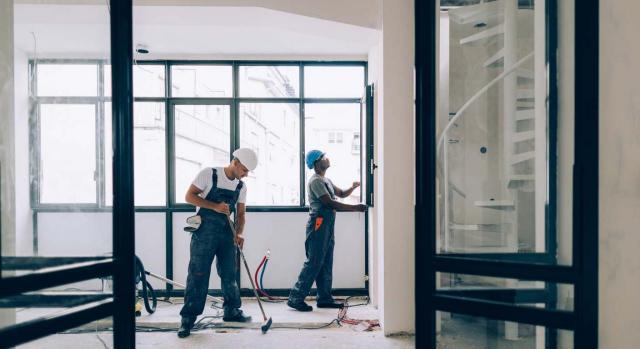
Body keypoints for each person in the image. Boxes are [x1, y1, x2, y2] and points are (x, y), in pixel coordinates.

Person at [177, 148, 258, 338]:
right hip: (204, 231)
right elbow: (189, 196)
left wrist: (239, 233)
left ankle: (231, 311)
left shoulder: (241, 187)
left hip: (226, 232)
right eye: (244, 170)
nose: (245, 175)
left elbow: (240, 214)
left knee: (229, 273)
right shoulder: (209, 174)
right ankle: (187, 319)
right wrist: (215, 206)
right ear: (235, 162)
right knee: (198, 273)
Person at [287, 150, 367, 311]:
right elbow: (329, 203)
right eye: (324, 157)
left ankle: (324, 298)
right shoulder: (315, 181)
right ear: (317, 163)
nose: (327, 158)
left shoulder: (326, 180)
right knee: (315, 261)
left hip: (327, 224)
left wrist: (352, 188)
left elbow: (342, 194)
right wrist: (355, 208)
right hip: (319, 223)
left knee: (326, 261)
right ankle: (295, 297)